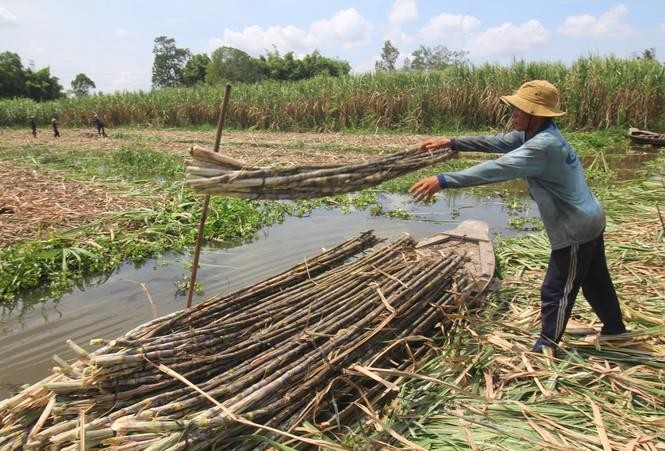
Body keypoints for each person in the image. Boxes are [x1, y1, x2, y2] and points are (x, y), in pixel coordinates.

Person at [409, 80, 626, 354]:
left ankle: (546, 346)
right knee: (595, 280)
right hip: (591, 216)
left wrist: (444, 180)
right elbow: (495, 143)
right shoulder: (535, 135)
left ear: (535, 114)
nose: (513, 114)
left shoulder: (543, 146)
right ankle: (615, 330)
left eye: (518, 110)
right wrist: (452, 142)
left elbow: (497, 169)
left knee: (556, 290)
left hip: (576, 228)